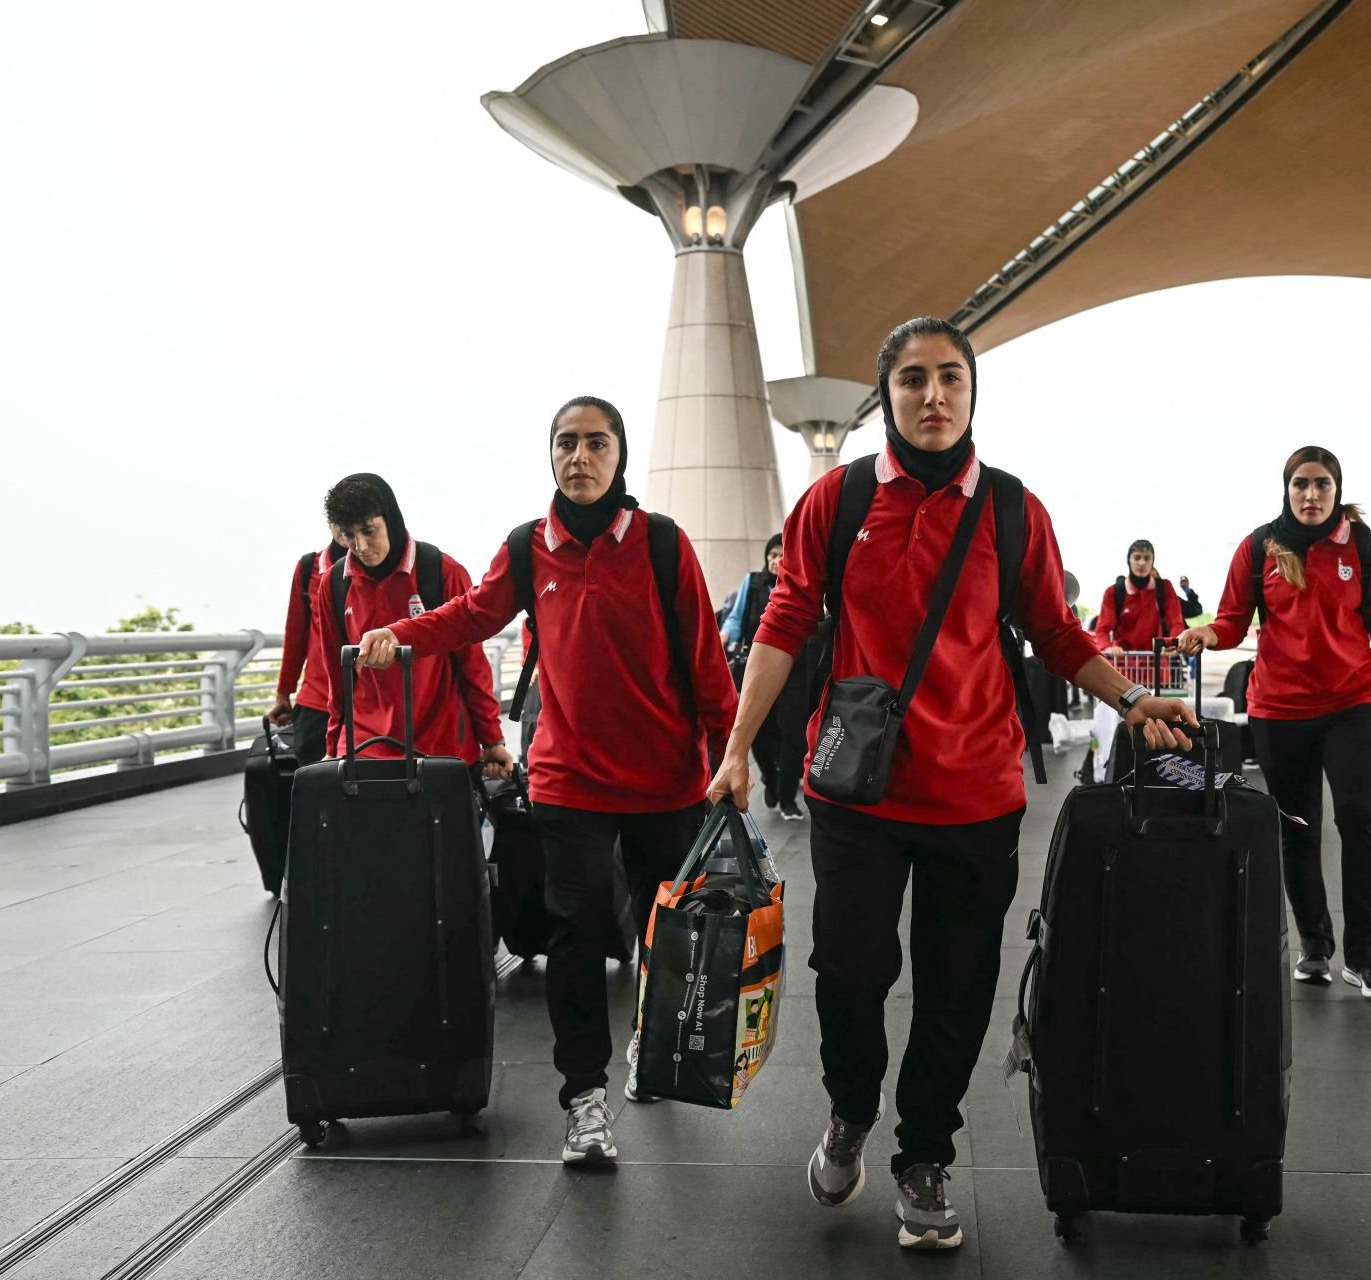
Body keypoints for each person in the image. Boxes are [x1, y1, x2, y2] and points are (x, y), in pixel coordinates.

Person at [708, 317, 1196, 1252]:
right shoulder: (838, 499)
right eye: (912, 381)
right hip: (855, 791)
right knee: (848, 971)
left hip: (975, 793)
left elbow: (1054, 631)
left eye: (950, 380)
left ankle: (924, 1152)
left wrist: (1133, 698)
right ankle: (853, 1108)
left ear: (972, 394)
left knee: (957, 986)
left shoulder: (1012, 510)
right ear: (886, 397)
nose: (933, 397)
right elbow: (783, 619)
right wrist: (735, 747)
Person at [355, 396, 736, 1167]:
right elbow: (470, 615)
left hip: (667, 778)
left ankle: (649, 1051)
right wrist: (399, 634)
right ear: (551, 456)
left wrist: (732, 757)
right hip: (568, 779)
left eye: (596, 443)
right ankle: (584, 1097)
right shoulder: (530, 548)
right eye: (566, 444)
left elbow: (704, 659)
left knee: (670, 933)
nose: (580, 457)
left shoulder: (662, 543)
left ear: (619, 455)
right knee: (576, 931)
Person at [1176, 445, 1371, 999]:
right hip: (1280, 711)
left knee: (1360, 820)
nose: (1311, 495)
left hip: (1354, 704)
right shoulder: (1260, 546)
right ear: (1286, 490)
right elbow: (1233, 621)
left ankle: (1365, 959)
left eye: (1322, 485)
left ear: (1337, 489)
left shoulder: (1365, 547)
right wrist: (1207, 633)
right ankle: (1315, 948)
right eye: (1300, 485)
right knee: (1297, 829)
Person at [315, 473, 512, 782]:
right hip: (366, 746)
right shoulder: (334, 585)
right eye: (348, 535)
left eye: (369, 531)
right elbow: (336, 672)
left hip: (439, 744)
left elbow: (472, 666)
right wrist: (332, 746)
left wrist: (492, 739)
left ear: (390, 520)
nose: (361, 546)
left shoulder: (441, 571)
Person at [720, 533, 804, 820]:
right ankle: (770, 778)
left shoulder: (798, 584)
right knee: (759, 733)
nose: (774, 560)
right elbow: (735, 615)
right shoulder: (752, 582)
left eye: (781, 555)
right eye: (771, 554)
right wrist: (726, 635)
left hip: (793, 669)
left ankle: (787, 797)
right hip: (754, 668)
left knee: (791, 734)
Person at [268, 527, 347, 765]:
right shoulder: (309, 568)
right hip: (317, 702)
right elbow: (295, 635)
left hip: (372, 707)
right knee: (314, 790)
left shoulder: (386, 569)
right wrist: (284, 693)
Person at [1092, 538, 1185, 655]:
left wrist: (1173, 643)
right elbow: (1102, 629)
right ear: (1128, 560)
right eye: (1137, 558)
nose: (1142, 563)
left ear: (1152, 561)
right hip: (1123, 664)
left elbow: (1176, 622)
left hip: (1157, 664)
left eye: (1147, 558)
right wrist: (1108, 647)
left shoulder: (1164, 588)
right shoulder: (1113, 592)